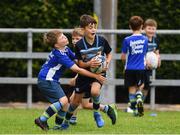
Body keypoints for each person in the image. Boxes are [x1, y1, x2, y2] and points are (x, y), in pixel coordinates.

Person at [34, 29, 106, 131]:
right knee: (63, 101)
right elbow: (77, 69)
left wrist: (91, 62)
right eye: (62, 37)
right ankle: (42, 119)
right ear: (56, 45)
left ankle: (58, 127)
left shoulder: (66, 49)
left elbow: (78, 60)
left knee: (65, 105)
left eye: (64, 35)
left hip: (49, 80)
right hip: (47, 80)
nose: (65, 37)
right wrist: (95, 76)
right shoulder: (60, 55)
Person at [60, 14, 117, 130]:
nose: (93, 29)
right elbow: (80, 63)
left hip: (99, 73)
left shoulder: (101, 40)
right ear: (83, 29)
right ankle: (66, 121)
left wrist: (107, 62)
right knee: (75, 102)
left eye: (95, 27)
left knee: (95, 92)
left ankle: (97, 114)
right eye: (90, 27)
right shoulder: (80, 45)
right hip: (84, 75)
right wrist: (89, 64)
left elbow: (110, 53)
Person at [121, 16, 148, 117]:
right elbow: (145, 54)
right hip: (141, 68)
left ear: (130, 26)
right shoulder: (145, 39)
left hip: (129, 68)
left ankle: (132, 107)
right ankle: (140, 101)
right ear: (142, 26)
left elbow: (123, 56)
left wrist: (125, 65)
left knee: (131, 88)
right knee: (140, 87)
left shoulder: (127, 40)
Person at [143, 18, 161, 101]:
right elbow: (141, 53)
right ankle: (133, 103)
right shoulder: (142, 39)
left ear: (155, 30)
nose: (151, 31)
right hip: (140, 65)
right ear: (144, 28)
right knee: (139, 84)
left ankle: (141, 103)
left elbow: (156, 52)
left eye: (153, 29)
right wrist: (145, 61)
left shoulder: (156, 40)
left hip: (150, 67)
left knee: (147, 85)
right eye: (149, 28)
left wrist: (158, 60)